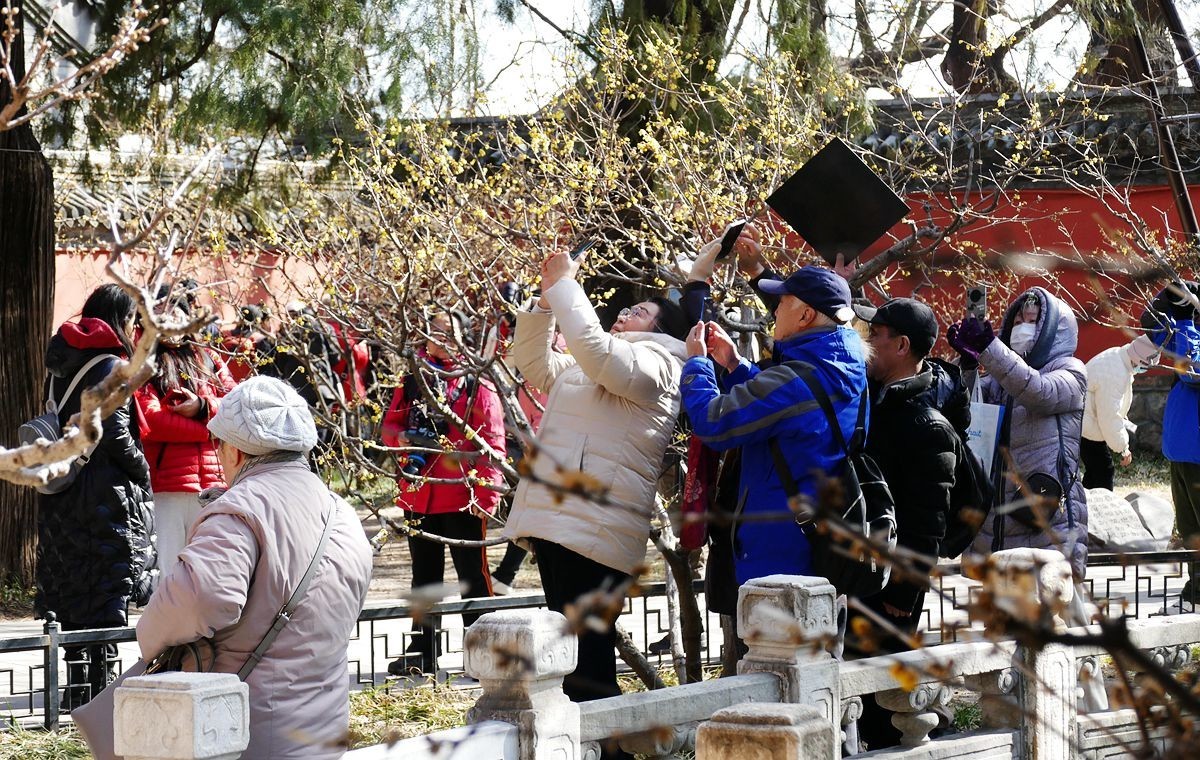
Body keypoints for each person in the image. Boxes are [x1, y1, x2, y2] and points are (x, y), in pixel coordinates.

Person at [136, 376, 373, 759]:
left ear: (234, 451)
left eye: (217, 444)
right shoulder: (342, 512)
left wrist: (149, 639)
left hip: (244, 730)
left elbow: (200, 599)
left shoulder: (240, 510)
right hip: (324, 731)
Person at [504, 249, 688, 719]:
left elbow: (599, 352)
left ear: (661, 330)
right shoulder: (592, 363)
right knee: (575, 658)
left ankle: (608, 745)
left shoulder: (661, 364)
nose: (624, 314)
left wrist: (567, 284)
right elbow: (533, 362)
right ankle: (595, 743)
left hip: (595, 528)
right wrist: (545, 303)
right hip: (562, 522)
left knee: (589, 664)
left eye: (638, 311)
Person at [679, 266, 868, 587]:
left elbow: (714, 422)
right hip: (815, 542)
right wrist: (736, 365)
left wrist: (698, 363)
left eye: (782, 302)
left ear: (806, 315)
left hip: (778, 555)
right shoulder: (845, 366)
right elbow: (793, 407)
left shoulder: (794, 381)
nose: (775, 310)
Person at [36, 284, 158, 708]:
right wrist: (143, 472)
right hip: (105, 494)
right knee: (106, 592)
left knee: (71, 590)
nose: (134, 328)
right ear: (119, 318)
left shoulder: (61, 364)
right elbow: (115, 434)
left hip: (64, 489)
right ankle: (101, 698)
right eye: (132, 320)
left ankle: (75, 693)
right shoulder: (112, 365)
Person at [850, 297, 959, 750]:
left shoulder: (926, 423)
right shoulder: (876, 398)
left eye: (876, 335)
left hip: (892, 584)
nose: (867, 342)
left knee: (887, 699)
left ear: (901, 346)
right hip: (864, 568)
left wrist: (905, 588)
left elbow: (929, 519)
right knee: (863, 690)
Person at [380, 312, 506, 676]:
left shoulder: (476, 381)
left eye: (447, 331)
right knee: (424, 577)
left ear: (463, 337)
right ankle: (423, 651)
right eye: (433, 331)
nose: (439, 337)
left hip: (463, 495)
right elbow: (390, 425)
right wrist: (403, 437)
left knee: (473, 576)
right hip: (420, 493)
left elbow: (492, 442)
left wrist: (486, 493)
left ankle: (483, 653)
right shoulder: (413, 378)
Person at [948, 288, 1088, 578]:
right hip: (995, 513)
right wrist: (969, 363)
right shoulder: (1001, 376)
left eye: (1032, 321)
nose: (1022, 327)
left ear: (1054, 330)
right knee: (997, 602)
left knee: (1048, 599)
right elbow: (966, 404)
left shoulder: (1071, 371)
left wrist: (989, 347)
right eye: (1017, 321)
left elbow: (1038, 391)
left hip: (1043, 513)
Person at [134, 311, 236, 573]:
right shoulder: (145, 360)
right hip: (168, 486)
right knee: (169, 571)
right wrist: (209, 430)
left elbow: (236, 404)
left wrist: (202, 406)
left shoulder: (209, 358)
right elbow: (152, 420)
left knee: (212, 571)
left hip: (214, 484)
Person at [1142, 281, 1200, 607]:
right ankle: (1196, 590)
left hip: (1195, 451)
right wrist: (1169, 299)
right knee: (1190, 527)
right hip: (1182, 451)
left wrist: (1188, 320)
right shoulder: (1187, 333)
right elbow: (1151, 327)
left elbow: (1192, 371)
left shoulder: (1191, 335)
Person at [1080, 335, 1161, 490]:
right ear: (1139, 360)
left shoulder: (1118, 356)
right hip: (1087, 425)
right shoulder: (1116, 373)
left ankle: (1084, 503)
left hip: (1085, 420)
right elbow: (1109, 416)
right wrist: (1123, 448)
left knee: (1094, 471)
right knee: (1104, 471)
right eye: (1146, 366)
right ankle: (1103, 505)